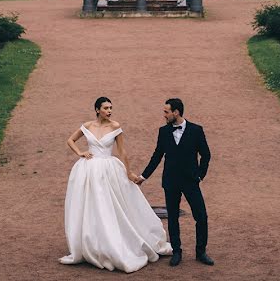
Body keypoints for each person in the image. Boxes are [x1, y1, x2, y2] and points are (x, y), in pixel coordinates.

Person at [61, 97, 172, 272]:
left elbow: (122, 151)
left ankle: (111, 243)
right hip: (88, 170)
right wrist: (80, 153)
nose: (109, 111)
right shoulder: (88, 125)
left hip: (109, 169)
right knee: (90, 206)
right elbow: (70, 140)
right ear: (97, 109)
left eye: (111, 108)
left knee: (110, 205)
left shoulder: (115, 126)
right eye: (106, 108)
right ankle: (92, 243)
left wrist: (128, 172)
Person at [136, 98, 212, 267]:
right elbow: (157, 156)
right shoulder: (163, 132)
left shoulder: (196, 130)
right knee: (172, 218)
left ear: (176, 112)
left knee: (201, 216)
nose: (164, 115)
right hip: (171, 181)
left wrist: (200, 175)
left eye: (166, 112)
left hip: (191, 181)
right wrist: (143, 176)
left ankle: (201, 252)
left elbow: (206, 155)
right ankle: (176, 252)